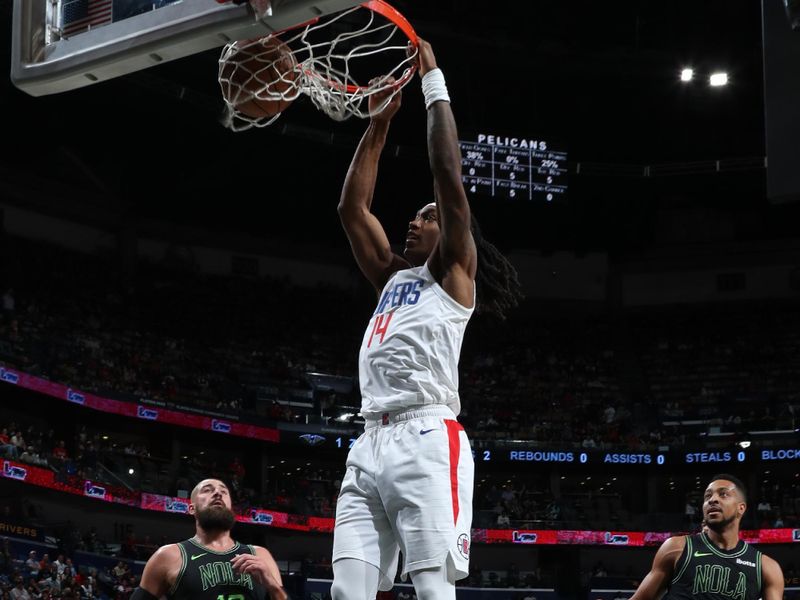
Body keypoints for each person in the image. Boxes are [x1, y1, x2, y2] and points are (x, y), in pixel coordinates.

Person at [331, 38, 522, 600]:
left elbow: (446, 172)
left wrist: (431, 83)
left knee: (433, 589)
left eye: (428, 217)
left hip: (426, 435)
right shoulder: (392, 278)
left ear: (455, 230)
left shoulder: (456, 272)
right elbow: (351, 210)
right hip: (369, 439)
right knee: (348, 591)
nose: (415, 222)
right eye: (414, 216)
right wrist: (379, 125)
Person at [629, 474, 784, 600]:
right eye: (707, 496)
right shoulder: (677, 547)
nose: (712, 499)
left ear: (740, 508)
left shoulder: (766, 568)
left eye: (723, 494)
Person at [131, 478, 287, 600]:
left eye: (224, 491)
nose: (218, 493)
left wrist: (272, 586)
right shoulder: (168, 556)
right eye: (207, 490)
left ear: (231, 507)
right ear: (191, 508)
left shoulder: (260, 555)